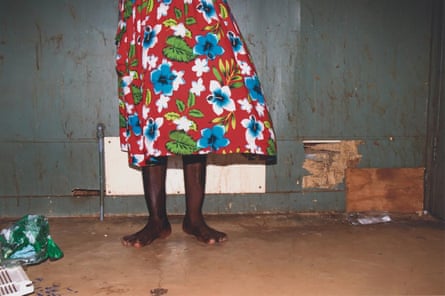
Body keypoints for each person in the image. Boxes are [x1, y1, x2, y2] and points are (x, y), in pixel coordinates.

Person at [115, 0, 277, 247]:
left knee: (197, 113)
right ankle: (157, 221)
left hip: (196, 9)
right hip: (149, 11)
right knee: (152, 113)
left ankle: (193, 218)